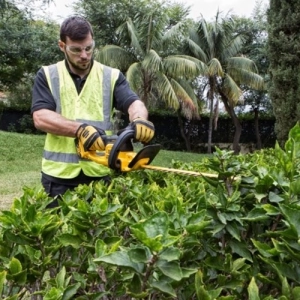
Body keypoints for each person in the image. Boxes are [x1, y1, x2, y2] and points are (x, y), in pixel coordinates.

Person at [31, 16, 154, 207]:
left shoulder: (111, 76)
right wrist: (80, 129)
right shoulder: (48, 75)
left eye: (89, 48)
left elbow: (133, 103)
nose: (84, 55)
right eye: (76, 50)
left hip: (99, 172)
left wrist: (139, 120)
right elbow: (40, 117)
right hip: (58, 176)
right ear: (62, 46)